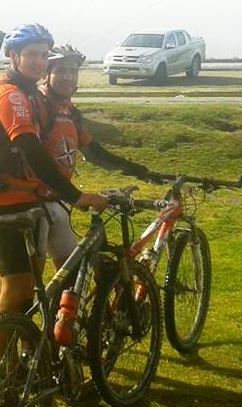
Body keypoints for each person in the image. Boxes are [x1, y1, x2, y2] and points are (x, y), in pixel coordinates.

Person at [0, 25, 107, 358]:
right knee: (17, 289)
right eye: (31, 54)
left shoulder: (31, 94)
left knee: (21, 287)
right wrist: (76, 196)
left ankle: (21, 358)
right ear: (13, 56)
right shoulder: (10, 95)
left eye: (43, 55)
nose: (38, 61)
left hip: (27, 202)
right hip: (3, 205)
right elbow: (31, 150)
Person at [36, 44, 159, 270]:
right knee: (24, 284)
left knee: (70, 277)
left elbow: (94, 153)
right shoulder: (37, 107)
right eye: (61, 70)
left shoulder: (70, 112)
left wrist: (136, 169)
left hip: (58, 202)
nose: (68, 77)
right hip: (31, 205)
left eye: (73, 71)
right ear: (45, 74)